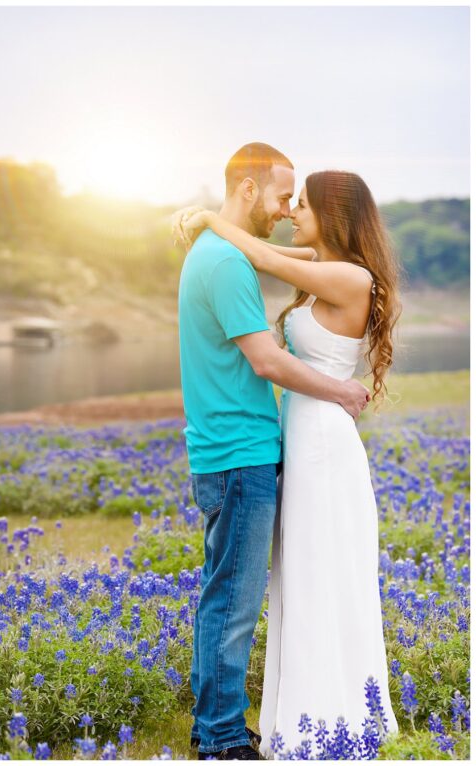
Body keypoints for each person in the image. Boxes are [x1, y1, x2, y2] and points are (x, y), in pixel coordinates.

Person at [176, 169, 401, 757]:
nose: (290, 212)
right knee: (294, 579)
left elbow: (262, 255)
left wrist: (204, 218)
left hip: (323, 442)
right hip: (298, 441)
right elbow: (272, 249)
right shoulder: (321, 261)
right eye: (287, 200)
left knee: (318, 574)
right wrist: (219, 223)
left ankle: (328, 715)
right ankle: (295, 715)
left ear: (332, 214)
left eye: (301, 204)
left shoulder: (348, 276)